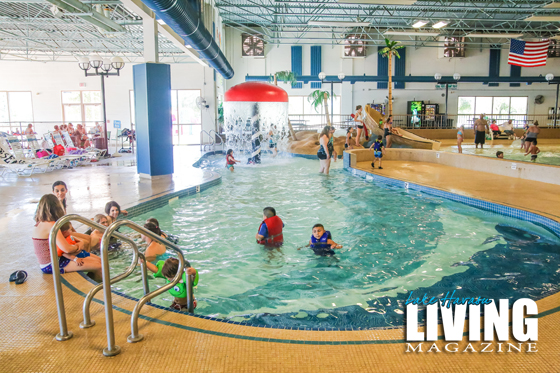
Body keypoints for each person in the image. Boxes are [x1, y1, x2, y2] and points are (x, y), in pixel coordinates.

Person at [32, 194, 102, 280]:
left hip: (51, 261)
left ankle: (94, 284)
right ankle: (100, 290)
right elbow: (66, 249)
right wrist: (78, 246)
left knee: (99, 260)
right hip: (52, 264)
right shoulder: (51, 225)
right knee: (99, 266)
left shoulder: (39, 223)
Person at [52, 181, 97, 251]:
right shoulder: (54, 207)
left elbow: (67, 221)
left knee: (89, 238)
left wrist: (74, 231)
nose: (60, 193)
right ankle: (85, 258)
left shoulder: (62, 204)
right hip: (61, 235)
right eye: (57, 191)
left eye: (62, 190)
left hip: (67, 231)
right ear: (53, 192)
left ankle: (87, 256)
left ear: (66, 190)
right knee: (85, 242)